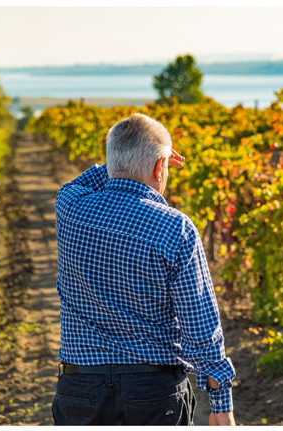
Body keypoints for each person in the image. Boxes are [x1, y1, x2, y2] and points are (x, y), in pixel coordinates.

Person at [51, 113, 236, 425]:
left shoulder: (70, 207)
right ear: (160, 168)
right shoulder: (175, 228)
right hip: (154, 393)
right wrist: (220, 402)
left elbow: (83, 180)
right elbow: (200, 326)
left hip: (79, 389)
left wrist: (124, 157)